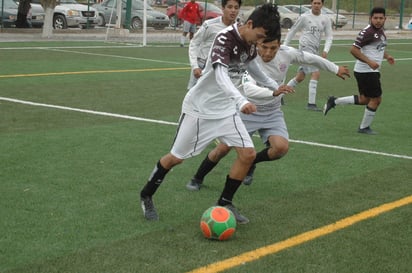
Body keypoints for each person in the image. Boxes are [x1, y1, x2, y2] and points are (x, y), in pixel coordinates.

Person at [140, 4, 293, 224]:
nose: (258, 43)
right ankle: (146, 194)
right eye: (258, 37)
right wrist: (241, 101)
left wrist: (273, 85)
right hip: (200, 110)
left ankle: (224, 203)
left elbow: (252, 68)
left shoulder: (250, 44)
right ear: (249, 24)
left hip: (226, 112)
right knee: (175, 158)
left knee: (248, 154)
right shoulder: (225, 38)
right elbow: (221, 75)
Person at [186, 32, 350, 190]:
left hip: (272, 112)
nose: (268, 52)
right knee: (223, 149)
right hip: (247, 111)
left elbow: (311, 58)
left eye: (273, 48)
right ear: (257, 43)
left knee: (280, 148)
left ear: (280, 45)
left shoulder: (287, 53)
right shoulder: (250, 57)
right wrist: (274, 92)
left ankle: (251, 163)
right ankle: (197, 177)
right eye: (264, 47)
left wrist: (335, 69)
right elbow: (249, 89)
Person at [323, 7, 395, 135]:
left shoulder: (381, 32)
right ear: (370, 18)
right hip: (366, 71)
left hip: (370, 71)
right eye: (375, 18)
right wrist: (369, 62)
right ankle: (363, 128)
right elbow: (354, 50)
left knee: (365, 100)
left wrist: (387, 56)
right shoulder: (367, 32)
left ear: (385, 19)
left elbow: (378, 48)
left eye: (381, 18)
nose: (378, 21)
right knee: (376, 99)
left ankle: (334, 101)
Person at [283, 0, 333, 111]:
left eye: (318, 3)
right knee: (316, 73)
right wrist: (284, 46)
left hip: (315, 50)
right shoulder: (304, 17)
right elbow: (292, 31)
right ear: (311, 4)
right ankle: (311, 104)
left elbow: (329, 36)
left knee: (300, 77)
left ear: (322, 5)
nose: (316, 5)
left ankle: (280, 95)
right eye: (314, 3)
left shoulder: (325, 19)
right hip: (305, 48)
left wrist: (326, 50)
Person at [187, 0, 241, 89]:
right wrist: (195, 66)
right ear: (223, 8)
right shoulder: (209, 25)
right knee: (192, 96)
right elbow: (194, 43)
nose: (233, 10)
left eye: (236, 8)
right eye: (230, 7)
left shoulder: (239, 29)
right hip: (202, 66)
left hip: (222, 68)